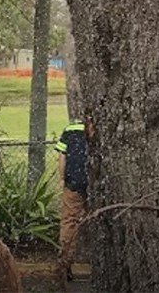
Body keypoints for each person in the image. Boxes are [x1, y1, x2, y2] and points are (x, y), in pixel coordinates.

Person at [55, 118, 90, 281]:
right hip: (96, 181)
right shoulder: (103, 127)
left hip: (74, 181)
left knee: (70, 221)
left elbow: (62, 156)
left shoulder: (71, 129)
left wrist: (63, 179)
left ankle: (64, 263)